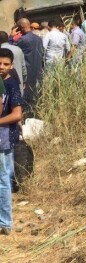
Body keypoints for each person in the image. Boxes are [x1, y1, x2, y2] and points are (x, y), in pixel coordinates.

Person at [0, 48, 24, 235]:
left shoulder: (11, 85)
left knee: (4, 180)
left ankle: (5, 222)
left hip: (5, 137)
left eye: (6, 64)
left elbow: (17, 114)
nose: (2, 67)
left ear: (11, 66)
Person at [10, 19, 43, 115]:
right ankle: (35, 111)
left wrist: (11, 36)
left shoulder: (23, 40)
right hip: (38, 68)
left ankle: (27, 113)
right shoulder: (38, 38)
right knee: (36, 92)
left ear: (20, 27)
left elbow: (9, 47)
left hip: (28, 69)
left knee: (27, 93)